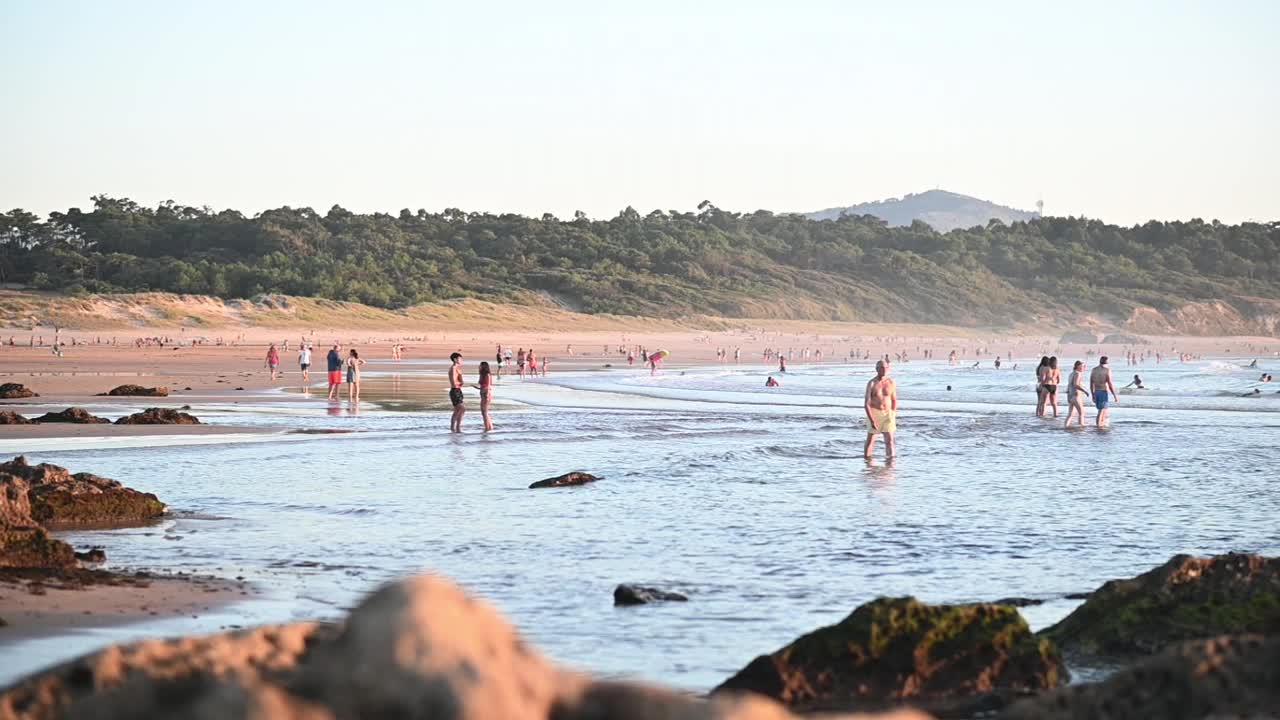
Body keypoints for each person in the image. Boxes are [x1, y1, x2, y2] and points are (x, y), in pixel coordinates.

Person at [863, 359, 898, 460]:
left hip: (888, 414)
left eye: (886, 368)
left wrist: (893, 413)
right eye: (881, 368)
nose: (884, 370)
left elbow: (894, 400)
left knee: (890, 440)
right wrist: (872, 419)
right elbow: (867, 403)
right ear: (877, 369)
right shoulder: (872, 383)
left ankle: (890, 461)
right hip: (874, 413)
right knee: (871, 440)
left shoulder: (891, 382)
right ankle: (867, 461)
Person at [1090, 356, 1118, 427]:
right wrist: (1114, 395)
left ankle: (1101, 424)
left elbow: (1091, 383)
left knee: (1103, 410)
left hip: (1096, 391)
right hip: (1103, 391)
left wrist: (1092, 394)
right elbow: (1110, 383)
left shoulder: (1094, 370)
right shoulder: (1107, 370)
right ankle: (1098, 426)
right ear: (1107, 362)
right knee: (1101, 410)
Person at [1065, 360, 1089, 428]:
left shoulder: (1071, 373)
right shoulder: (1078, 373)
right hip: (1075, 396)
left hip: (1070, 396)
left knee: (1070, 414)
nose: (1084, 368)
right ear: (1078, 366)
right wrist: (1084, 391)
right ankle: (1081, 426)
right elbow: (1076, 384)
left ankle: (1065, 426)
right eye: (1083, 366)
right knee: (1081, 413)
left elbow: (1069, 385)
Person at [448, 352, 465, 433]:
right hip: (455, 391)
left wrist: (461, 382)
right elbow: (453, 383)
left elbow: (460, 381)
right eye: (460, 358)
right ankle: (454, 427)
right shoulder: (453, 368)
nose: (461, 360)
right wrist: (460, 383)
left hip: (458, 390)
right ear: (455, 359)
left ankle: (456, 427)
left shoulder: (458, 368)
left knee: (458, 410)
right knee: (462, 408)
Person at [476, 361, 494, 431]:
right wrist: (478, 388)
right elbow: (482, 385)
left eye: (480, 366)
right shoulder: (481, 374)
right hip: (482, 393)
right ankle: (489, 427)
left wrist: (487, 394)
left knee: (485, 412)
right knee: (483, 412)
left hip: (486, 393)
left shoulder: (487, 375)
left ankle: (487, 428)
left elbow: (489, 385)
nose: (479, 366)